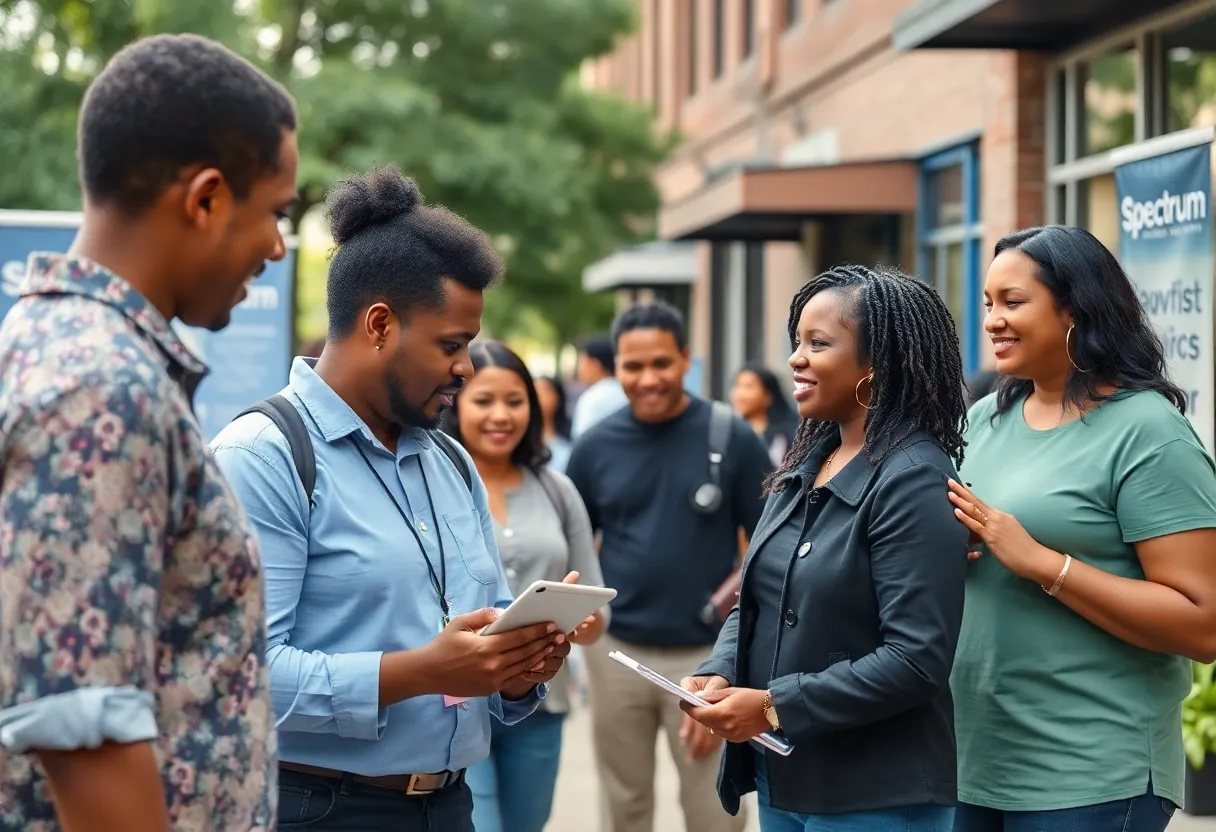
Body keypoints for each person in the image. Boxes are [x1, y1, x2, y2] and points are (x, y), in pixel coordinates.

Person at [210, 165, 571, 832]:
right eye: (451, 346)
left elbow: (479, 625)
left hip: (449, 804)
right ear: (379, 324)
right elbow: (240, 674)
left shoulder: (450, 460)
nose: (466, 368)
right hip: (322, 810)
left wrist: (517, 667)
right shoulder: (263, 455)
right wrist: (415, 672)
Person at [0, 34, 297, 832]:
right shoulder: (101, 386)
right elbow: (81, 726)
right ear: (204, 200)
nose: (277, 247)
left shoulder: (58, 345)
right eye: (275, 212)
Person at [946, 226, 1216, 832]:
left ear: (1077, 309)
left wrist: (1044, 563)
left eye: (1014, 302)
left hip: (1089, 770)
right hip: (974, 759)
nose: (993, 320)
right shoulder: (987, 418)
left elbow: (1203, 625)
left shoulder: (1148, 432)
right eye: (988, 303)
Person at [681, 265, 970, 832]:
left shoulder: (915, 478)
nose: (795, 358)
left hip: (879, 794)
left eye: (818, 343)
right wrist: (719, 670)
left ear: (876, 364)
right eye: (796, 342)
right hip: (785, 775)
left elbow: (916, 660)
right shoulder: (804, 464)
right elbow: (755, 599)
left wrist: (771, 706)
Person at [566, 301, 772, 832]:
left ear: (686, 358)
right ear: (616, 368)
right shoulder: (593, 448)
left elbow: (773, 546)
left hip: (708, 661)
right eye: (633, 367)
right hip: (618, 657)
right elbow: (572, 547)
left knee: (714, 814)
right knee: (625, 809)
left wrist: (731, 668)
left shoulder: (732, 436)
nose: (648, 378)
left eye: (662, 363)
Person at [443, 340, 607, 832]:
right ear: (456, 404)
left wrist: (580, 621)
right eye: (484, 401)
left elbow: (599, 615)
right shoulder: (433, 483)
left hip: (541, 700)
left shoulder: (558, 489)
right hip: (456, 702)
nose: (501, 416)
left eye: (515, 402)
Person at [730, 362, 801, 466]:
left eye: (748, 387)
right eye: (737, 386)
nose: (739, 395)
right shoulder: (728, 432)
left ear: (768, 397)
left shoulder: (786, 437)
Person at [570, 333, 628, 439]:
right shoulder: (627, 393)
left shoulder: (592, 399)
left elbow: (581, 440)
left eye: (582, 361)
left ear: (595, 364)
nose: (579, 369)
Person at [534, 374, 573, 473]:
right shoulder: (521, 440)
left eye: (545, 391)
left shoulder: (571, 439)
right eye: (535, 393)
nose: (539, 398)